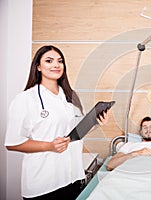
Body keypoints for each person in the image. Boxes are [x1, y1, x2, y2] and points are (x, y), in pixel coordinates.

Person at [5, 45, 109, 200]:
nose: (56, 65)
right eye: (49, 61)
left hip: (73, 177)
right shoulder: (26, 99)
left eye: (60, 61)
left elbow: (75, 133)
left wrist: (95, 123)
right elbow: (12, 143)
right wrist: (49, 146)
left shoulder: (70, 97)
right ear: (38, 67)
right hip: (44, 184)